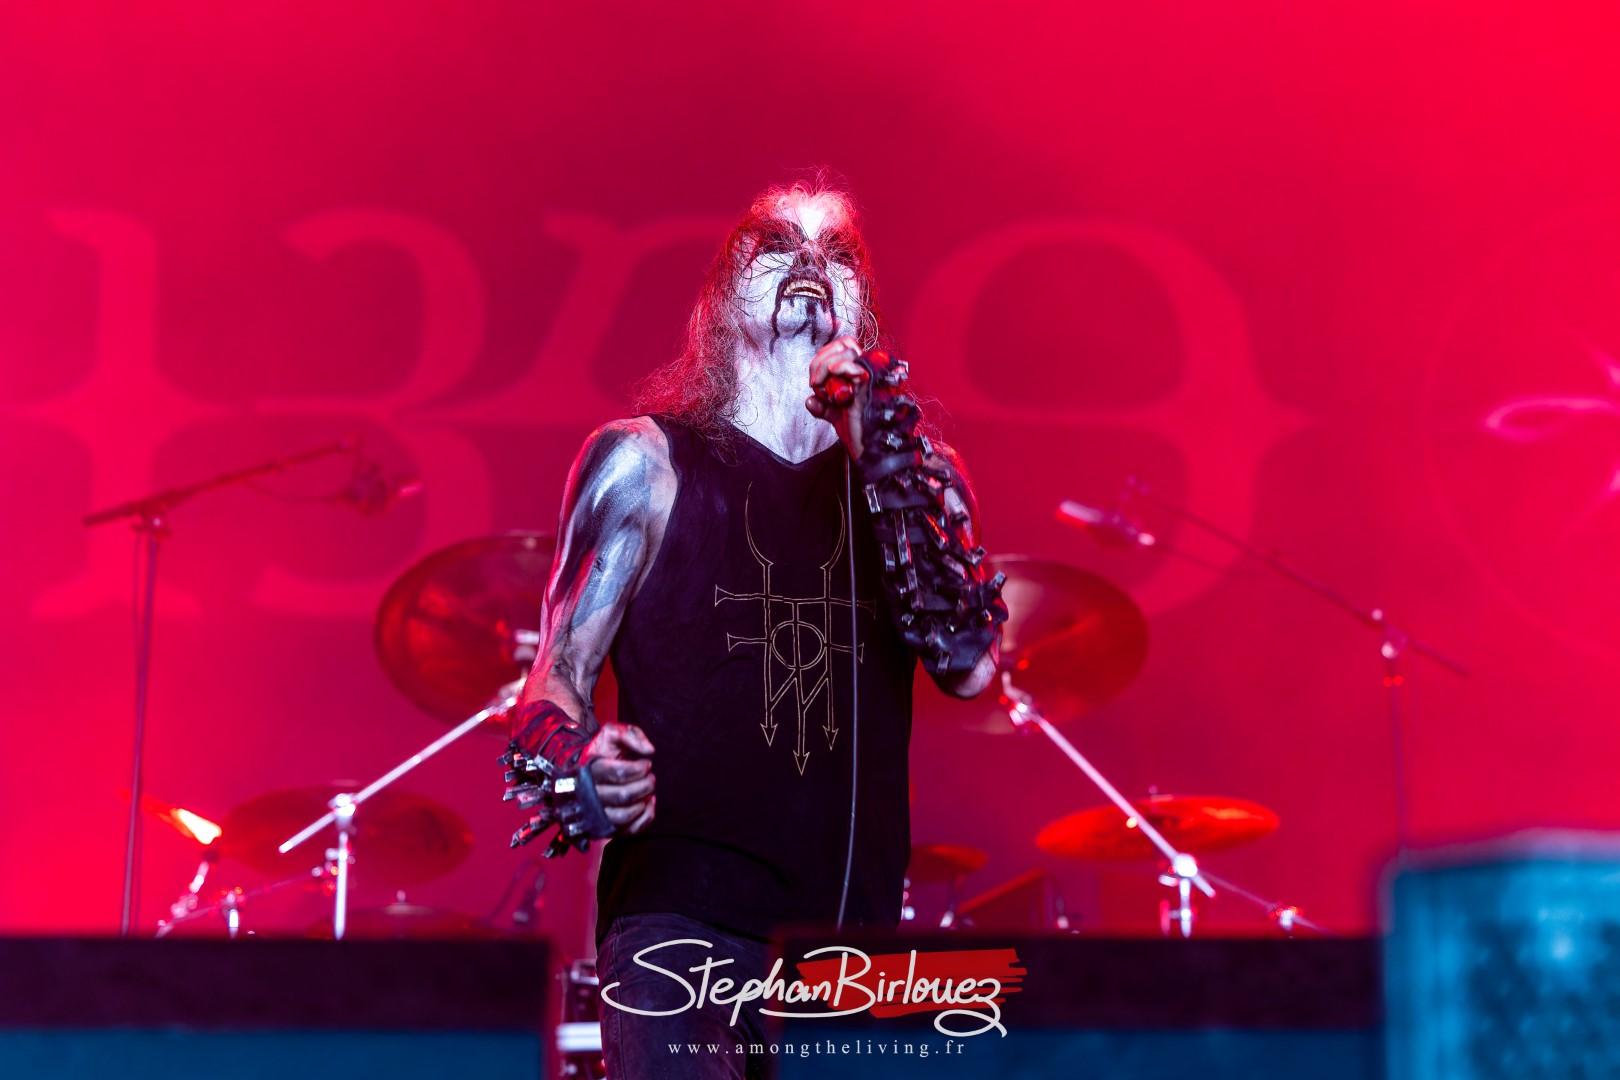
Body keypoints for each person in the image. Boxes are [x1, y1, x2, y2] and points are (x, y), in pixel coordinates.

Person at [501, 180, 1006, 1079]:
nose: (810, 263)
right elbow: (557, 675)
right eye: (777, 244)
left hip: (851, 946)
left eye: (837, 252)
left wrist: (878, 447)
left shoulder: (914, 479)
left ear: (863, 307)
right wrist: (579, 767)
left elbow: (969, 666)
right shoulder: (646, 463)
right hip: (679, 922)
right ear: (722, 297)